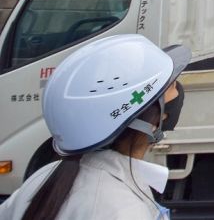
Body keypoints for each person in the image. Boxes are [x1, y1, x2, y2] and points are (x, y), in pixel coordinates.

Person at [0, 35, 191, 220]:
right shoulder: (122, 210)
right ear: (150, 119)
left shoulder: (42, 178)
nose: (179, 91)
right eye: (172, 85)